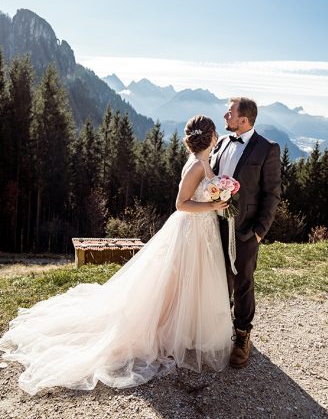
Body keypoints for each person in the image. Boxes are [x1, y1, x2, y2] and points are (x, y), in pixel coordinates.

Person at [0, 115, 232, 395]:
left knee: (189, 280)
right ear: (210, 136)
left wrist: (219, 199)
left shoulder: (205, 161)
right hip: (189, 229)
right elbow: (181, 204)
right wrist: (212, 205)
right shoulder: (196, 164)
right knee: (175, 280)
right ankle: (166, 330)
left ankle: (186, 330)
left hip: (201, 231)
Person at [211, 97, 281, 369]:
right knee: (217, 278)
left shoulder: (267, 149)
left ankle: (242, 336)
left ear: (244, 119)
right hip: (213, 225)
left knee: (242, 282)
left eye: (230, 112)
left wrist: (259, 232)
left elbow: (272, 194)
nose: (225, 115)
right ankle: (217, 329)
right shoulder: (222, 143)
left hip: (245, 230)